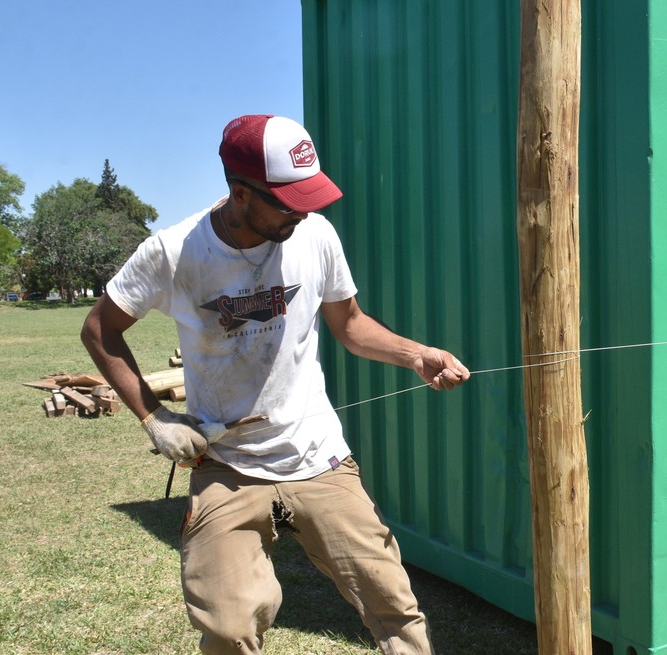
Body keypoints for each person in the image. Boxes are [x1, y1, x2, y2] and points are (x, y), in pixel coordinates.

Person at [81, 114, 469, 655]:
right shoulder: (174, 252)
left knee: (394, 606)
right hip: (227, 462)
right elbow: (99, 330)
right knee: (229, 626)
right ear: (241, 194)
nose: (303, 211)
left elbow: (350, 325)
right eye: (289, 201)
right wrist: (156, 418)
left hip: (319, 457)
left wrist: (417, 355)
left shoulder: (315, 234)